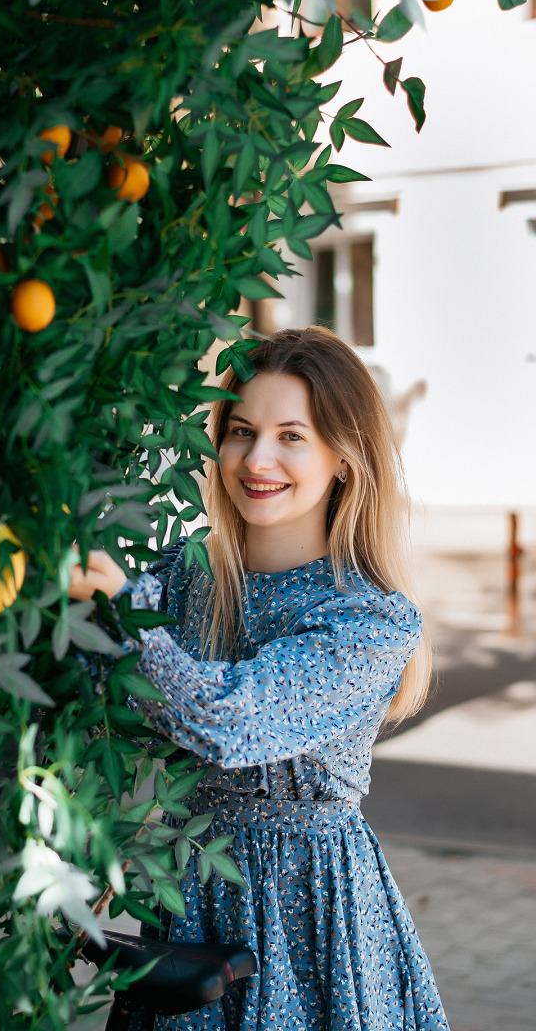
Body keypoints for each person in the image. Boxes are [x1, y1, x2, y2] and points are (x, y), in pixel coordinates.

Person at [68, 327, 449, 1031]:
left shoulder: (370, 618)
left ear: (344, 458)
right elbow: (80, 676)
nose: (257, 457)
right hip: (189, 893)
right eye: (241, 430)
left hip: (313, 913)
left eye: (291, 436)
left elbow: (230, 723)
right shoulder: (186, 580)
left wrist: (120, 614)